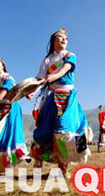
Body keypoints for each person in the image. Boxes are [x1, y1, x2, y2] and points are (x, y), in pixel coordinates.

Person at [30, 28, 90, 177]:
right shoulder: (47, 60)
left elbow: (65, 69)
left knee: (63, 132)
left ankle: (63, 168)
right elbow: (39, 79)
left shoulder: (70, 55)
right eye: (60, 37)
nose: (64, 39)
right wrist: (33, 91)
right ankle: (38, 161)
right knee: (45, 132)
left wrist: (52, 77)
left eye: (66, 38)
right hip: (51, 99)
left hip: (67, 98)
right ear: (53, 41)